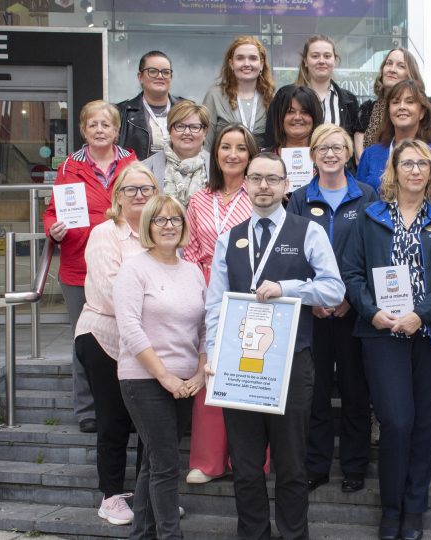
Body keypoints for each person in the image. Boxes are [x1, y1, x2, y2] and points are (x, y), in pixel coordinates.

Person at [205, 152, 345, 539]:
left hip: (290, 364)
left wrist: (287, 289)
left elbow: (334, 290)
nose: (264, 186)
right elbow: (215, 303)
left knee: (291, 465)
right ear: (246, 184)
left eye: (272, 179)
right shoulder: (230, 238)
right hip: (238, 364)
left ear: (286, 186)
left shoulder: (308, 231)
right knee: (247, 468)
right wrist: (213, 353)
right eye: (256, 178)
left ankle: (293, 535)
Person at [343, 139, 431, 540]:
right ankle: (390, 508)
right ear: (393, 170)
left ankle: (414, 509)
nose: (414, 170)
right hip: (381, 332)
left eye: (422, 164)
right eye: (407, 163)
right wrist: (373, 312)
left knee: (425, 425)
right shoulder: (370, 218)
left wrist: (419, 315)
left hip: (430, 337)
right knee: (396, 421)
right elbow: (352, 274)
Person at [287, 124, 378, 494]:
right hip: (314, 314)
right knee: (316, 392)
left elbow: (374, 254)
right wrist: (317, 299)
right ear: (312, 154)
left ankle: (355, 466)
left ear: (348, 153)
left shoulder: (367, 195)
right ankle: (317, 465)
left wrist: (347, 298)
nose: (330, 153)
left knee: (357, 392)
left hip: (352, 311)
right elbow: (292, 256)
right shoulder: (297, 198)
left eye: (338, 147)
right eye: (322, 147)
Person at [114, 195, 208, 540]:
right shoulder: (134, 268)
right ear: (147, 226)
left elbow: (203, 328)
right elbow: (130, 329)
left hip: (186, 381)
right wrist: (165, 376)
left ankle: (142, 534)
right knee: (166, 464)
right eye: (160, 220)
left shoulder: (193, 270)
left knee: (153, 461)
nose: (169, 226)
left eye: (175, 220)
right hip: (144, 380)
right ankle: (171, 535)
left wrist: (199, 372)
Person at [43, 100, 138, 433]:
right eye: (93, 124)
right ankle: (87, 409)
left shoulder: (130, 161)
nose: (100, 130)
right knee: (84, 340)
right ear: (83, 130)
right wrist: (52, 228)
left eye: (106, 124)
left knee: (126, 335)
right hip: (79, 264)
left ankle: (125, 406)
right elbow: (55, 211)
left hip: (123, 260)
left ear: (116, 129)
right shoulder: (70, 166)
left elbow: (142, 201)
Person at [74, 162, 157, 525]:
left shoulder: (161, 232)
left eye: (147, 189)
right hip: (104, 337)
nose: (139, 196)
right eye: (131, 189)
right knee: (113, 420)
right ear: (117, 196)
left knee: (149, 422)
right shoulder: (105, 234)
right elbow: (110, 292)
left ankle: (147, 498)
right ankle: (110, 496)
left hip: (149, 341)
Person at [182, 123, 260, 484]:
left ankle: (253, 458)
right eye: (225, 147)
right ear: (215, 153)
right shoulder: (199, 199)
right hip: (206, 291)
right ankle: (208, 460)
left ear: (251, 155)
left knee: (250, 369)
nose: (232, 154)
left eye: (241, 148)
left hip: (249, 292)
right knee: (209, 367)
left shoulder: (260, 196)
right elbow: (191, 249)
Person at [357, 80, 431, 220]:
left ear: (422, 112)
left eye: (410, 101)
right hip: (378, 238)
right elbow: (360, 206)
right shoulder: (371, 154)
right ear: (389, 111)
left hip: (426, 238)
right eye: (395, 102)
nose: (402, 107)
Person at [263, 35, 360, 148]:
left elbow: (351, 145)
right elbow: (271, 138)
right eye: (315, 56)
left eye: (327, 56)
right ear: (305, 61)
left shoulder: (349, 101)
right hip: (292, 164)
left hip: (336, 165)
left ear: (334, 60)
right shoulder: (284, 96)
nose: (321, 61)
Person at [357, 48, 431, 158]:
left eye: (401, 66)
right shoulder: (367, 109)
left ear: (410, 74)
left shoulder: (427, 105)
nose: (392, 69)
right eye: (389, 63)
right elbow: (360, 158)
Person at [203, 36, 275, 152]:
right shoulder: (215, 96)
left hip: (260, 168)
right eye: (240, 58)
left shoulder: (272, 97)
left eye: (253, 58)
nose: (246, 64)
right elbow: (206, 145)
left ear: (261, 64)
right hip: (225, 166)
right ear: (231, 64)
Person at [117, 50, 184, 160]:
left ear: (171, 77)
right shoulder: (122, 113)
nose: (160, 76)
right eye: (153, 71)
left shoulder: (186, 109)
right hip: (137, 175)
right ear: (140, 77)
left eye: (166, 72)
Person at [142, 100, 210, 206]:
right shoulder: (146, 168)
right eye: (180, 126)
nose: (187, 132)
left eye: (194, 127)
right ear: (170, 130)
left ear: (205, 131)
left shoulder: (217, 167)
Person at [263, 85, 324, 153]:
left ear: (315, 117)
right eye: (290, 112)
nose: (297, 117)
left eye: (304, 112)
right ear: (280, 117)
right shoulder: (263, 158)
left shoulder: (327, 156)